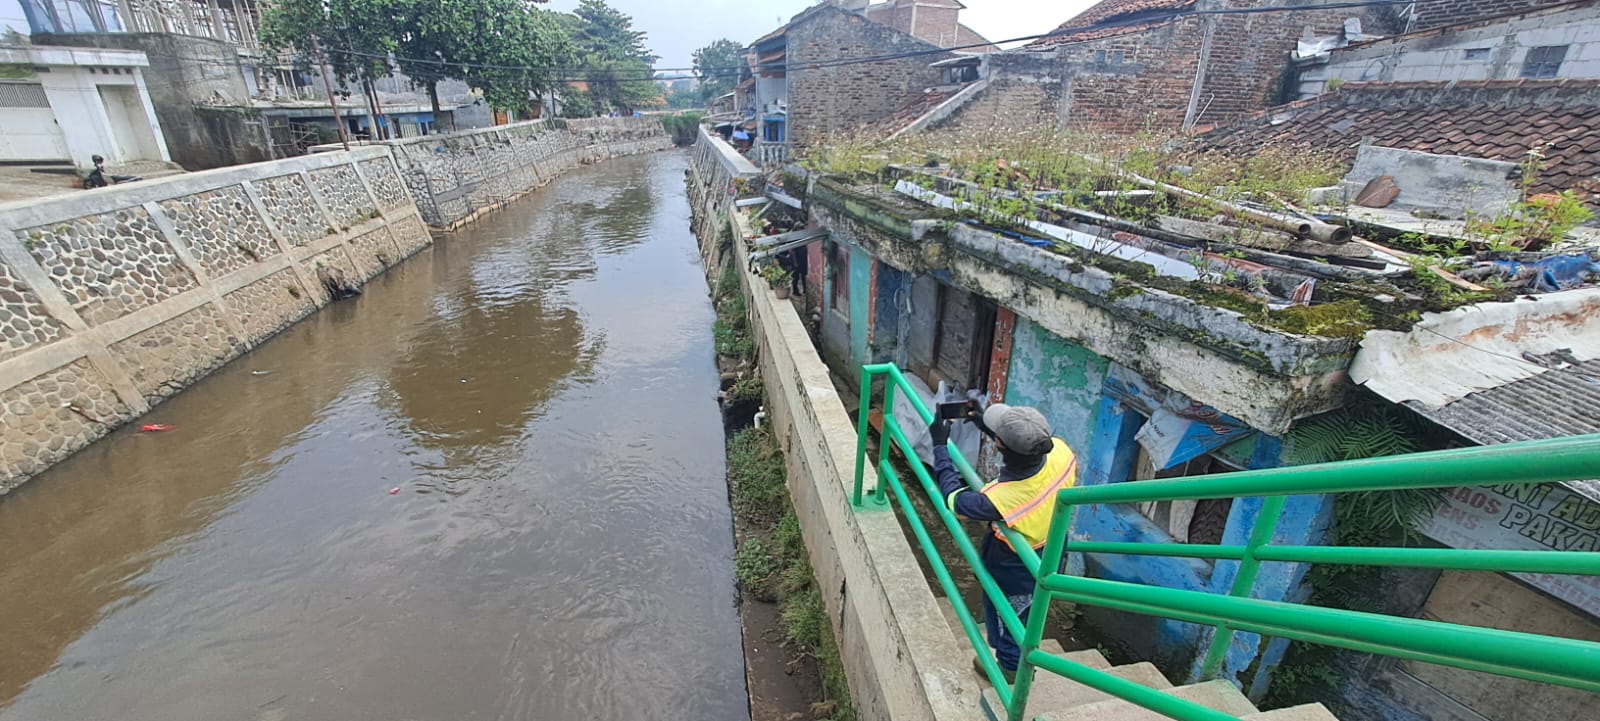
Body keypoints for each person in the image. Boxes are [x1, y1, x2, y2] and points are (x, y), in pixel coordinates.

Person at [929, 403, 1078, 683]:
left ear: (999, 446)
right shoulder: (1061, 452)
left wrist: (939, 445)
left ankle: (1009, 669)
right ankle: (1024, 653)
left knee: (1006, 616)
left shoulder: (1001, 498)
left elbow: (954, 500)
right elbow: (1024, 451)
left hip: (1014, 567)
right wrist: (984, 424)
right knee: (1031, 609)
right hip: (1053, 547)